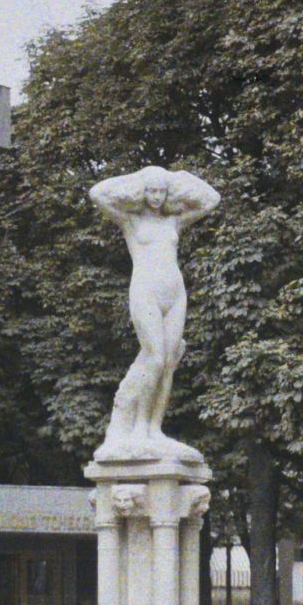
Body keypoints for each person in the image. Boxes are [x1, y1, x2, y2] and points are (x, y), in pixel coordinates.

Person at [89, 166, 220, 462]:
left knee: (171, 361)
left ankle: (154, 428)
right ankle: (137, 430)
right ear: (142, 192)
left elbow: (212, 199)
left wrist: (179, 177)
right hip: (146, 290)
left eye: (162, 191)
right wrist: (136, 178)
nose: (157, 197)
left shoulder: (175, 221)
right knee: (155, 357)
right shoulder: (131, 221)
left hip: (175, 293)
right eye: (151, 190)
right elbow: (97, 193)